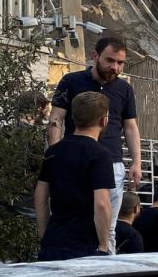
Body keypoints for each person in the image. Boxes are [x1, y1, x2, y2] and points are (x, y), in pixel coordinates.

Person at [48, 37, 141, 255]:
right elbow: (55, 119)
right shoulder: (71, 81)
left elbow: (130, 126)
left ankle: (104, 272)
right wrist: (55, 154)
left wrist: (136, 161)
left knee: (108, 228)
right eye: (110, 60)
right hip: (76, 161)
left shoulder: (125, 89)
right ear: (95, 56)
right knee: (71, 218)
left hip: (112, 163)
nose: (115, 67)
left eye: (120, 63)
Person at [35, 91, 115, 260]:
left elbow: (40, 197)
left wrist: (44, 236)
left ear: (73, 118)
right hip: (85, 246)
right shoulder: (100, 154)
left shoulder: (53, 151)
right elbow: (101, 203)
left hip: (54, 241)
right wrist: (102, 246)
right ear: (103, 120)